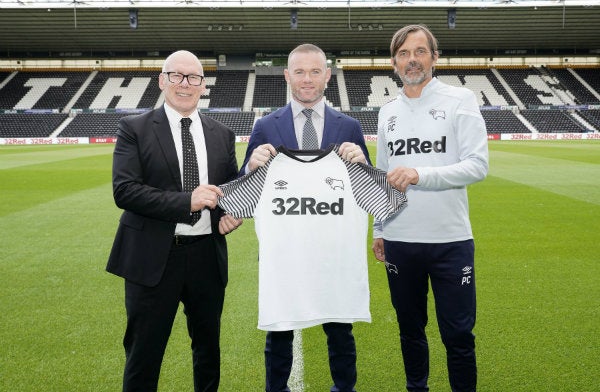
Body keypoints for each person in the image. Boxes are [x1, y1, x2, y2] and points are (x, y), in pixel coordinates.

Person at [106, 50, 242, 392]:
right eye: (177, 76)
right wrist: (187, 201)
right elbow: (125, 191)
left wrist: (230, 214)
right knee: (144, 354)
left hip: (206, 256)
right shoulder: (133, 127)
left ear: (203, 84)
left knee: (208, 350)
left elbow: (226, 190)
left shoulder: (222, 134)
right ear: (162, 80)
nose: (185, 84)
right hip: (152, 259)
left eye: (193, 77)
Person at [239, 43, 370, 392]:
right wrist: (251, 166)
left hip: (333, 249)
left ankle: (345, 388)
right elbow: (244, 193)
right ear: (287, 76)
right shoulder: (266, 126)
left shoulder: (350, 127)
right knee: (279, 331)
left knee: (340, 330)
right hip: (285, 250)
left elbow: (367, 191)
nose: (307, 79)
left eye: (315, 71)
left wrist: (362, 163)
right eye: (299, 71)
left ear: (327, 75)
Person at [371, 24, 489, 392]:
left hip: (450, 241)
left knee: (458, 334)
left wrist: (420, 174)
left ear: (434, 57)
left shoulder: (460, 101)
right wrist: (379, 230)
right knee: (410, 329)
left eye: (419, 51)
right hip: (400, 241)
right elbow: (382, 177)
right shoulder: (387, 111)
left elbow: (477, 165)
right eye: (404, 53)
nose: (412, 60)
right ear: (394, 62)